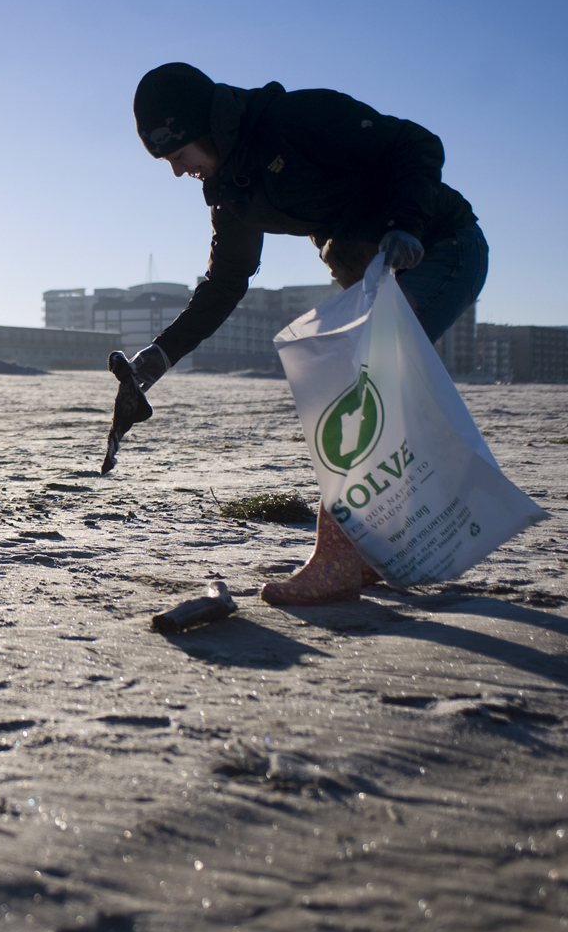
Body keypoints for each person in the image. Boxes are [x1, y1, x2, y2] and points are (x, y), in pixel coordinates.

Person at [126, 62, 487, 606]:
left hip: (442, 247)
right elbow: (225, 282)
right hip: (377, 276)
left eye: (177, 155)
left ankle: (341, 561)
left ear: (203, 128)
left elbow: (416, 143)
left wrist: (407, 223)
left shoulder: (294, 118)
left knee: (356, 382)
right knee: (360, 385)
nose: (177, 172)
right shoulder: (233, 190)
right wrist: (160, 356)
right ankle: (368, 554)